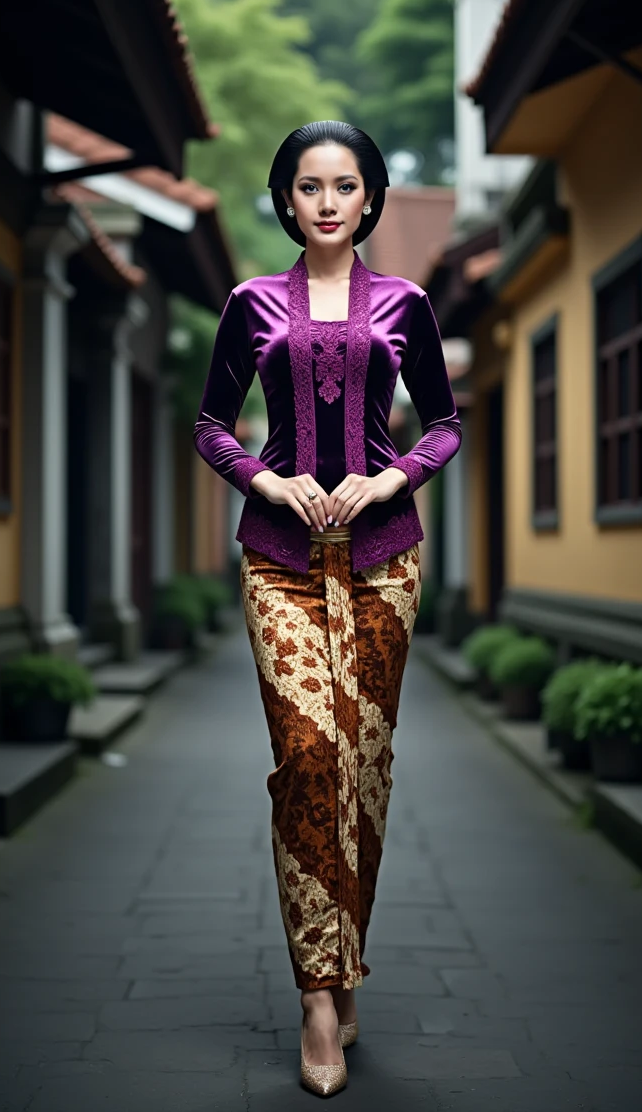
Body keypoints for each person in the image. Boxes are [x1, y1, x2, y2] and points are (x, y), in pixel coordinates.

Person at [194, 121, 461, 1096]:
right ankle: (317, 991)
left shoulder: (408, 304)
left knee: (364, 765)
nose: (327, 201)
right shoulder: (250, 303)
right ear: (286, 200)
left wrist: (391, 485)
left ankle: (348, 956)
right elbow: (210, 425)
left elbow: (443, 425)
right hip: (281, 564)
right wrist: (264, 484)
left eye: (345, 185)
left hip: (386, 562)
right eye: (308, 185)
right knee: (308, 756)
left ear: (369, 198)